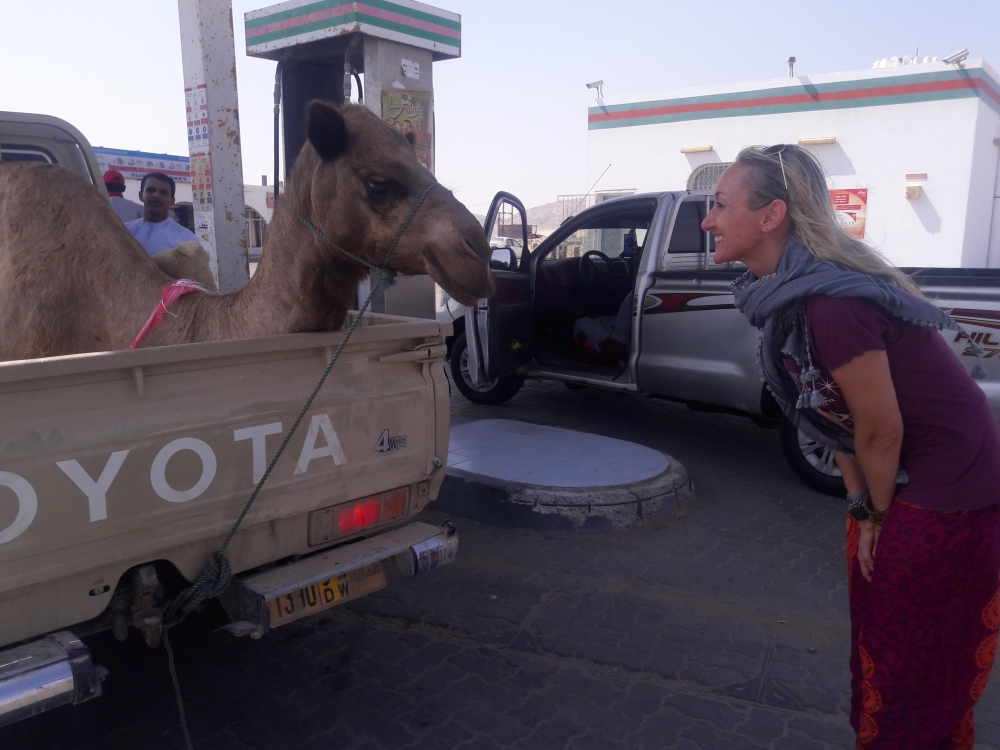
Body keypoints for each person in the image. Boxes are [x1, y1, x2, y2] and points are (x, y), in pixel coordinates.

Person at [703, 144, 1000, 748]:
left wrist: (876, 515)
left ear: (771, 216)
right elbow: (826, 416)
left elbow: (881, 429)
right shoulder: (787, 293)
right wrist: (862, 508)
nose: (707, 219)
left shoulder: (830, 302)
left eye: (719, 204)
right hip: (904, 483)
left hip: (950, 491)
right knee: (881, 641)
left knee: (914, 660)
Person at [126, 172, 197, 256]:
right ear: (141, 195)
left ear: (172, 201)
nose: (156, 195)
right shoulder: (125, 231)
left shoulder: (186, 239)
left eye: (163, 192)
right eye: (151, 190)